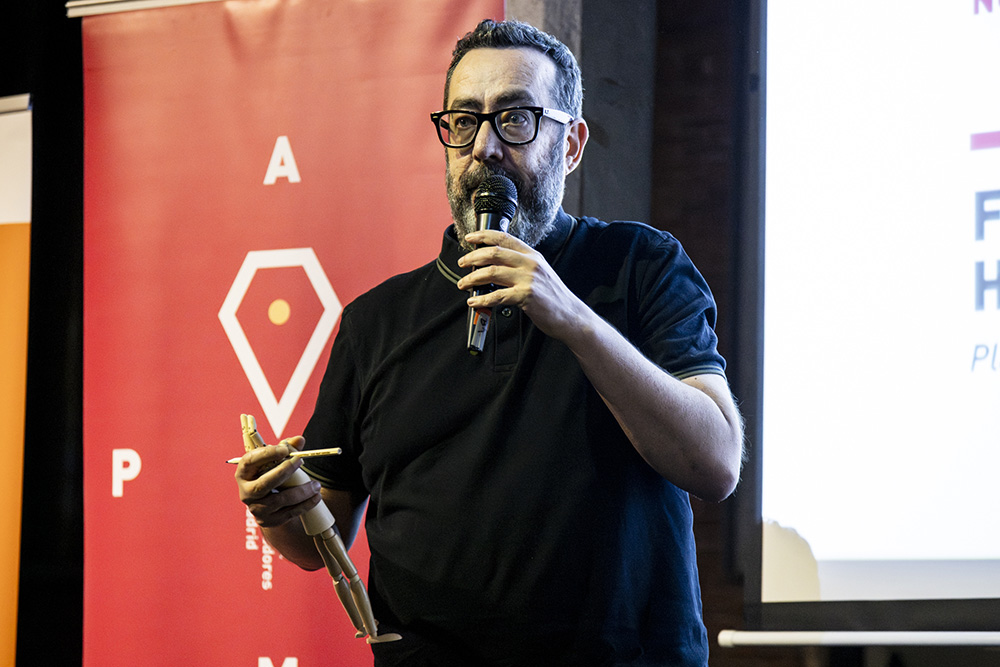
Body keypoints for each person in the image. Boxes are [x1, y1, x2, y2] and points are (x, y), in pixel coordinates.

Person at [236, 18, 743, 667]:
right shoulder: (376, 321)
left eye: (515, 119)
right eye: (464, 121)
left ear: (571, 144)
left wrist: (573, 318)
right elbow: (317, 541)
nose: (485, 148)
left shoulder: (640, 266)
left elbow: (715, 461)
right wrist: (280, 507)